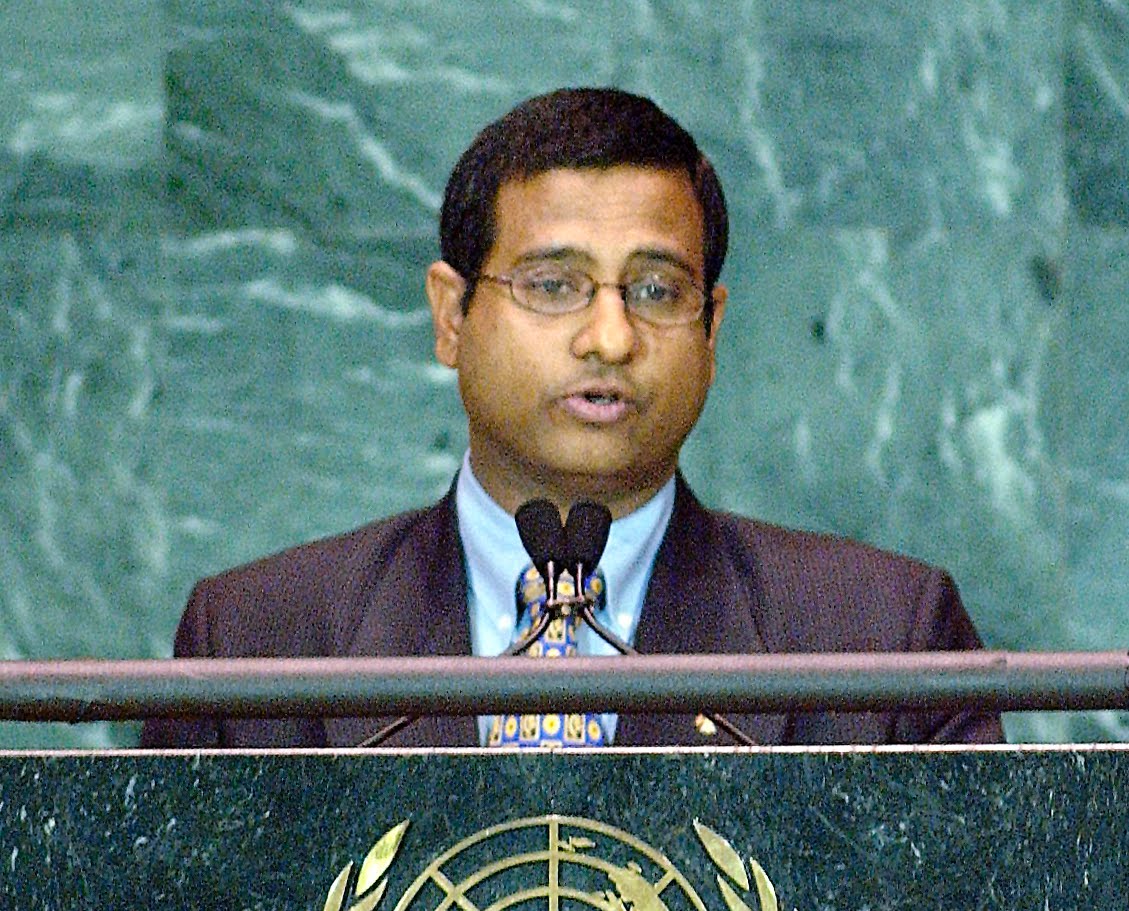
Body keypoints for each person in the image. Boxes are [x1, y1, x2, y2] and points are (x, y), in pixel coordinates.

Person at [140, 88, 1003, 748]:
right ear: (450, 316)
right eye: (553, 285)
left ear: (711, 329)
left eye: (655, 290)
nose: (610, 338)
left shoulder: (881, 642)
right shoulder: (257, 643)